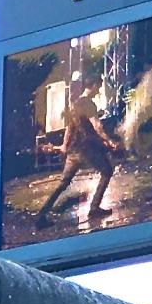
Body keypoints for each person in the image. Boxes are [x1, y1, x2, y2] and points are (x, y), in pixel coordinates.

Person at [35, 78, 123, 229]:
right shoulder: (88, 104)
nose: (98, 91)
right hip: (85, 150)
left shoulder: (74, 104)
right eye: (98, 87)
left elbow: (69, 129)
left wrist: (64, 145)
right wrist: (110, 141)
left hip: (73, 152)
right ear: (94, 85)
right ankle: (94, 208)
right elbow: (97, 126)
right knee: (107, 171)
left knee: (63, 184)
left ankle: (41, 215)